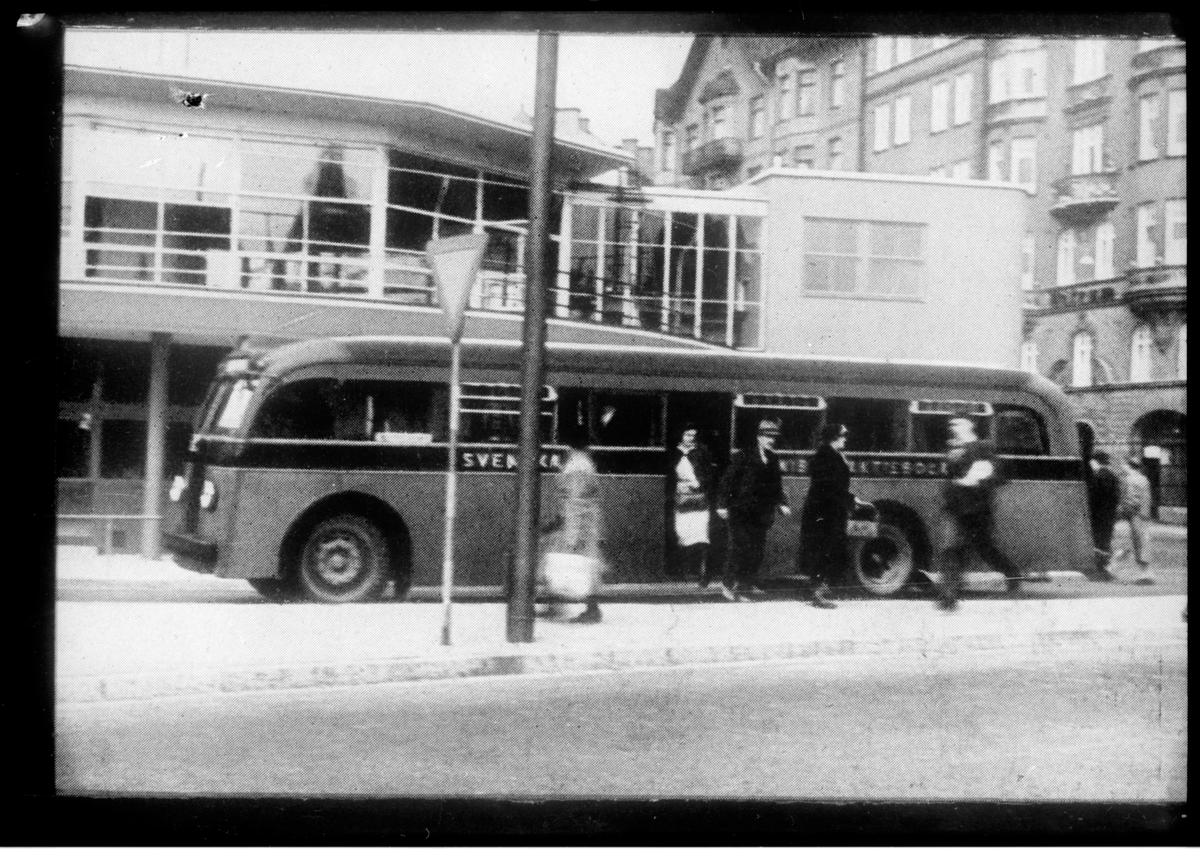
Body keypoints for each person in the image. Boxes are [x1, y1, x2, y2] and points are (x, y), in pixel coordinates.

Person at [937, 415, 1022, 610]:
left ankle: (1012, 572)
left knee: (985, 548)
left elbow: (1000, 474)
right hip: (954, 508)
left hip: (977, 510)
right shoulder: (953, 450)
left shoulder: (984, 447)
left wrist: (980, 477)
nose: (953, 427)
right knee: (951, 548)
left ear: (969, 425)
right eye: (951, 424)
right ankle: (948, 596)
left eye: (958, 423)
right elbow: (950, 477)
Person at [715, 418, 791, 602]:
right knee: (741, 548)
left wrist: (782, 503)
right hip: (741, 511)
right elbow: (727, 480)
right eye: (767, 436)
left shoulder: (773, 458)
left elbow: (776, 484)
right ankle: (729, 585)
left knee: (756, 550)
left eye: (773, 437)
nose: (770, 440)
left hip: (762, 513)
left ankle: (746, 584)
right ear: (758, 437)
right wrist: (722, 505)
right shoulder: (744, 455)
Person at [542, 433, 605, 623]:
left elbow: (576, 502)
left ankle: (590, 609)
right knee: (582, 564)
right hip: (579, 523)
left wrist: (572, 535)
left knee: (578, 564)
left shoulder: (577, 466)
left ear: (569, 446)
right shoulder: (584, 463)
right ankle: (556, 604)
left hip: (576, 524)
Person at [797, 423, 855, 609]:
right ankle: (817, 594)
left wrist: (851, 498)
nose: (845, 439)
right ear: (834, 437)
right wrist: (848, 498)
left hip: (830, 510)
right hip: (823, 512)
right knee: (822, 549)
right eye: (843, 436)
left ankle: (819, 588)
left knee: (828, 549)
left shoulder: (833, 454)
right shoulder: (824, 456)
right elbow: (828, 487)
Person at [665, 423, 717, 582]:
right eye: (687, 435)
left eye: (693, 436)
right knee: (682, 533)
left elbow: (710, 473)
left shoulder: (702, 452)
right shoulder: (674, 452)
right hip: (681, 499)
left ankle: (703, 572)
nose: (690, 439)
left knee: (701, 535)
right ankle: (683, 571)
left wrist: (700, 483)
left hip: (699, 500)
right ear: (681, 435)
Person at [1114, 457, 1155, 585]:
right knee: (1140, 542)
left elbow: (1129, 500)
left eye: (1124, 466)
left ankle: (1145, 573)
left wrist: (1121, 513)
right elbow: (1146, 498)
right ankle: (1144, 572)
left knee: (1136, 543)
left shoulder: (1129, 479)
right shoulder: (1144, 479)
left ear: (1129, 466)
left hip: (1134, 515)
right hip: (1143, 515)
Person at [1086, 450, 1121, 582]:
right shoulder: (1113, 476)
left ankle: (1099, 571)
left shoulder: (1097, 477)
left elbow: (1092, 498)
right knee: (1105, 542)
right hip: (1109, 515)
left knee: (1097, 542)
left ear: (1095, 461)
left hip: (1097, 515)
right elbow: (1117, 497)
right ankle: (1105, 570)